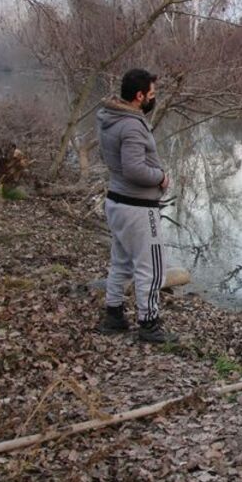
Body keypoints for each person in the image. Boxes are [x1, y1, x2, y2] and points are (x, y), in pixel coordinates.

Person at [94, 68, 177, 343]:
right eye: (152, 94)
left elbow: (118, 163)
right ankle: (149, 325)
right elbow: (134, 169)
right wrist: (161, 177)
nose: (154, 99)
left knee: (121, 262)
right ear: (139, 96)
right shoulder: (130, 124)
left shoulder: (110, 117)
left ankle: (114, 315)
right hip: (137, 208)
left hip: (117, 201)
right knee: (152, 268)